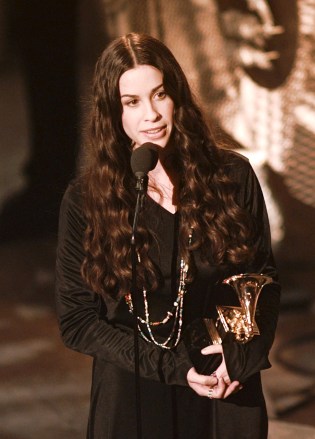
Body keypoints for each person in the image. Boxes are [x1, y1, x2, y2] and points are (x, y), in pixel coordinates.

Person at [55, 33, 281, 439]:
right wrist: (175, 369)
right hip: (135, 388)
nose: (151, 115)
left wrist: (242, 357)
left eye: (160, 95)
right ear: (113, 113)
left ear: (177, 96)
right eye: (133, 102)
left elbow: (262, 278)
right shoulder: (86, 201)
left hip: (223, 384)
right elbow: (78, 321)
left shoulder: (232, 177)